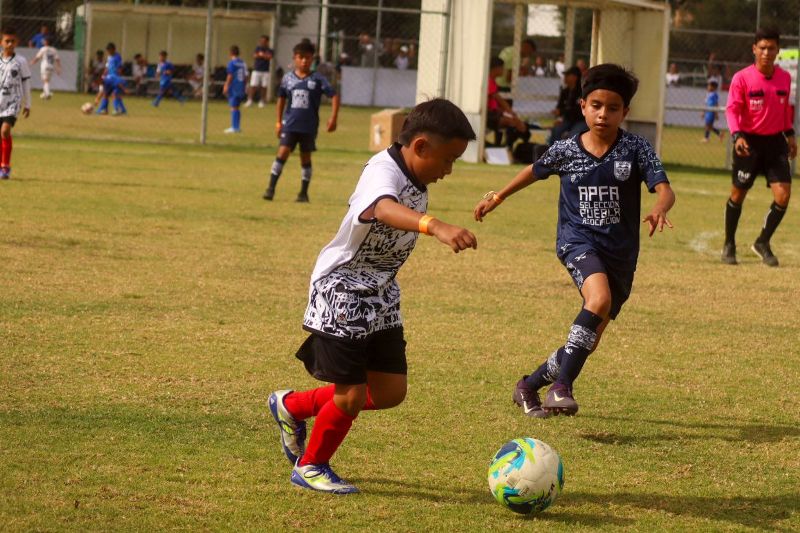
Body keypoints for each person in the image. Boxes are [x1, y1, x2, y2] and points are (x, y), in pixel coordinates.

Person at [268, 98, 478, 494]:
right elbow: (382, 209)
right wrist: (436, 226)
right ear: (420, 146)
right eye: (448, 159)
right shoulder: (383, 170)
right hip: (342, 290)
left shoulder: (416, 176)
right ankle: (310, 466)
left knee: (389, 391)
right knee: (350, 396)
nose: (449, 170)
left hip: (381, 293)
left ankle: (292, 406)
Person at [474, 64, 675, 417]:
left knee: (587, 342)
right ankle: (561, 389)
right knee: (598, 299)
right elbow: (533, 171)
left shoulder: (635, 148)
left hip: (621, 254)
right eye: (596, 105)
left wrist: (659, 207)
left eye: (613, 108)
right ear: (583, 106)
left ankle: (528, 386)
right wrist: (498, 196)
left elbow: (665, 189)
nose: (603, 114)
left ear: (625, 112)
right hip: (577, 242)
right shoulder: (567, 148)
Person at [722, 27, 796, 267]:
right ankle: (729, 244)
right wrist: (737, 136)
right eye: (762, 48)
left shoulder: (785, 78)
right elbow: (732, 110)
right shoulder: (742, 78)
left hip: (775, 143)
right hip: (748, 143)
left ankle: (762, 242)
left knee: (783, 195)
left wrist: (790, 135)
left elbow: (785, 111)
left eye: (771, 48)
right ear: (754, 49)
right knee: (738, 194)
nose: (766, 52)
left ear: (777, 50)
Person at [263, 41, 339, 203]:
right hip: (290, 124)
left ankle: (303, 193)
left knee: (305, 157)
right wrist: (278, 122)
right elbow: (281, 99)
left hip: (308, 127)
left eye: (308, 58)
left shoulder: (318, 79)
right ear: (295, 58)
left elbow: (334, 95)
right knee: (282, 152)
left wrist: (333, 118)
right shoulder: (288, 78)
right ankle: (270, 189)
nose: (304, 61)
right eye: (301, 57)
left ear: (312, 59)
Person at [0, 28, 31, 179]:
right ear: (1, 42)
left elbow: (26, 82)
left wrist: (28, 103)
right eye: (7, 41)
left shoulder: (21, 61)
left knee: (5, 131)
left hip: (13, 101)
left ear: (17, 42)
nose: (10, 44)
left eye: (13, 41)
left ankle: (5, 167)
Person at [487, 56, 527, 143]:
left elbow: (496, 105)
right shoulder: (488, 81)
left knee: (516, 122)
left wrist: (507, 113)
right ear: (496, 68)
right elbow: (500, 100)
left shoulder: (492, 81)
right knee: (514, 123)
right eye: (502, 68)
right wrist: (511, 113)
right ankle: (506, 146)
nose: (504, 70)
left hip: (493, 113)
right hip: (488, 115)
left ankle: (504, 145)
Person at [548, 66, 586, 145]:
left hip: (581, 120)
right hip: (567, 120)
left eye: (567, 75)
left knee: (574, 136)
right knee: (556, 130)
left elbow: (579, 110)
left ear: (575, 77)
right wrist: (559, 118)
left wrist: (561, 112)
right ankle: (553, 151)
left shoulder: (582, 91)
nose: (565, 77)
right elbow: (560, 106)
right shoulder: (565, 91)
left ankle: (570, 152)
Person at [96, 42, 126, 116]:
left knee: (114, 94)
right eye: (107, 50)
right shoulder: (109, 57)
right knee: (106, 93)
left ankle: (117, 109)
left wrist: (118, 76)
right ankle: (104, 109)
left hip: (115, 78)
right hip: (109, 78)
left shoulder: (117, 57)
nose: (108, 51)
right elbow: (107, 67)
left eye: (109, 50)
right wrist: (104, 74)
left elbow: (120, 67)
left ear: (113, 49)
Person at [223, 45, 248, 134]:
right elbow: (246, 76)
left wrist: (226, 85)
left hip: (234, 86)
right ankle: (236, 126)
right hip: (241, 86)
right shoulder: (243, 63)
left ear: (230, 53)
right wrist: (246, 86)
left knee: (233, 107)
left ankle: (235, 127)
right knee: (236, 107)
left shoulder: (232, 63)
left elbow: (230, 75)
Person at [245, 35, 273, 108]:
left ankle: (262, 101)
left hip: (265, 71)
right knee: (253, 85)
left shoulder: (270, 50)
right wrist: (262, 55)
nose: (262, 42)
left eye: (264, 41)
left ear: (267, 42)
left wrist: (262, 55)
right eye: (261, 41)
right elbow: (255, 55)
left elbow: (269, 57)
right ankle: (250, 100)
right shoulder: (257, 48)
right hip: (256, 70)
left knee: (264, 86)